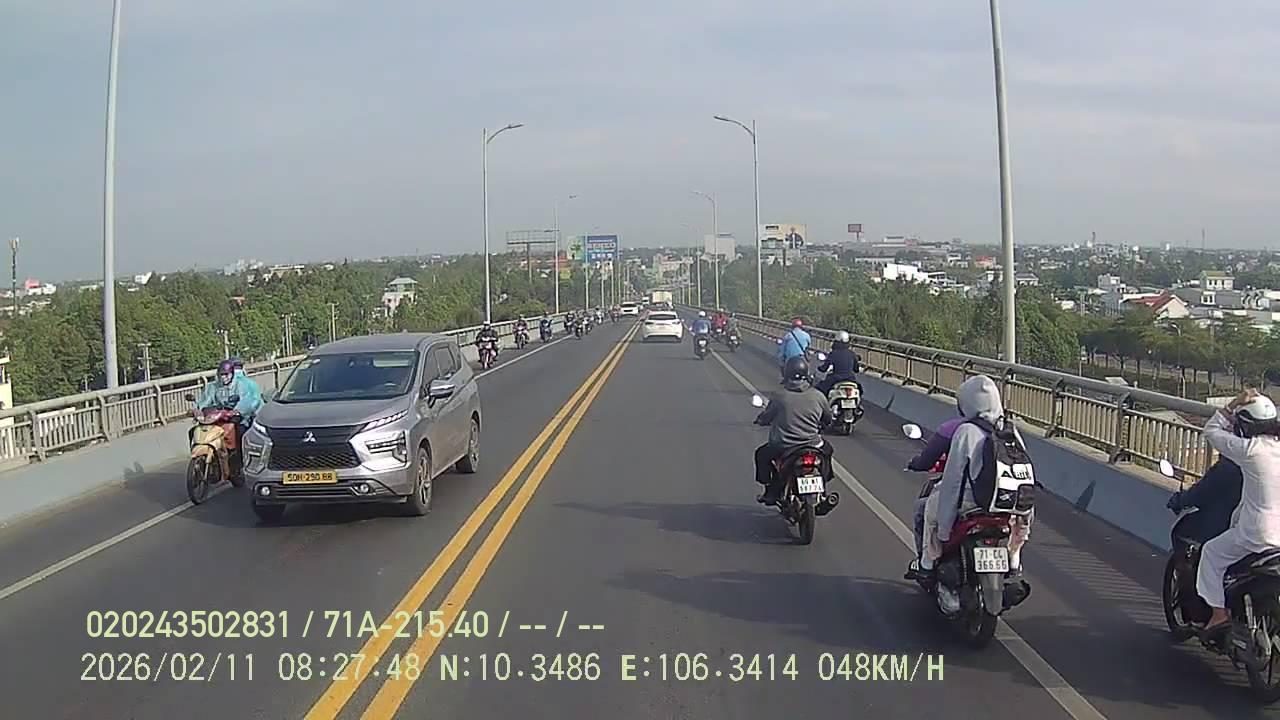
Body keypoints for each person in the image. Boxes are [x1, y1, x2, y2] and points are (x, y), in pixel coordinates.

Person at [908, 375, 1032, 580]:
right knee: (1015, 527)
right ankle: (1014, 559)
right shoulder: (1010, 430)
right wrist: (1024, 515)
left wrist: (944, 530)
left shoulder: (966, 431)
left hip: (972, 502)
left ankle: (927, 563)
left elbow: (953, 479)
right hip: (1006, 502)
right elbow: (1024, 474)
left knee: (927, 509)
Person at [1195, 390, 1280, 636]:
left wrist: (1233, 404)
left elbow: (1211, 431)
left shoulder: (1250, 449)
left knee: (1211, 553)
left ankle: (1218, 615)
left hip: (1259, 534)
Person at [753, 355, 834, 506]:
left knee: (761, 455)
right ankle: (823, 485)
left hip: (784, 446)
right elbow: (828, 418)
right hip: (812, 445)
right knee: (828, 450)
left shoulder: (780, 396)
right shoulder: (818, 396)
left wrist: (761, 420)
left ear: (787, 373)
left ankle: (770, 491)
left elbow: (767, 415)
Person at [193, 359, 264, 456]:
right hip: (219, 417)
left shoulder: (241, 385)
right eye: (221, 375)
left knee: (241, 433)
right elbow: (205, 399)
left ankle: (240, 458)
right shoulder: (213, 386)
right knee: (196, 430)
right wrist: (197, 410)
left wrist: (237, 410)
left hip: (239, 417)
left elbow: (248, 401)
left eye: (226, 374)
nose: (223, 377)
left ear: (232, 373)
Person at [1167, 457, 1243, 544]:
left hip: (1219, 527)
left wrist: (1178, 501)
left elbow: (1199, 493)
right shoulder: (1248, 466)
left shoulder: (1228, 466)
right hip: (1243, 528)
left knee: (1180, 531)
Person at [815, 331, 862, 396]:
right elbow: (856, 369)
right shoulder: (852, 354)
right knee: (860, 390)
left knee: (820, 389)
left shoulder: (833, 353)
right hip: (851, 379)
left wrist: (819, 368)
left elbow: (824, 368)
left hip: (836, 379)